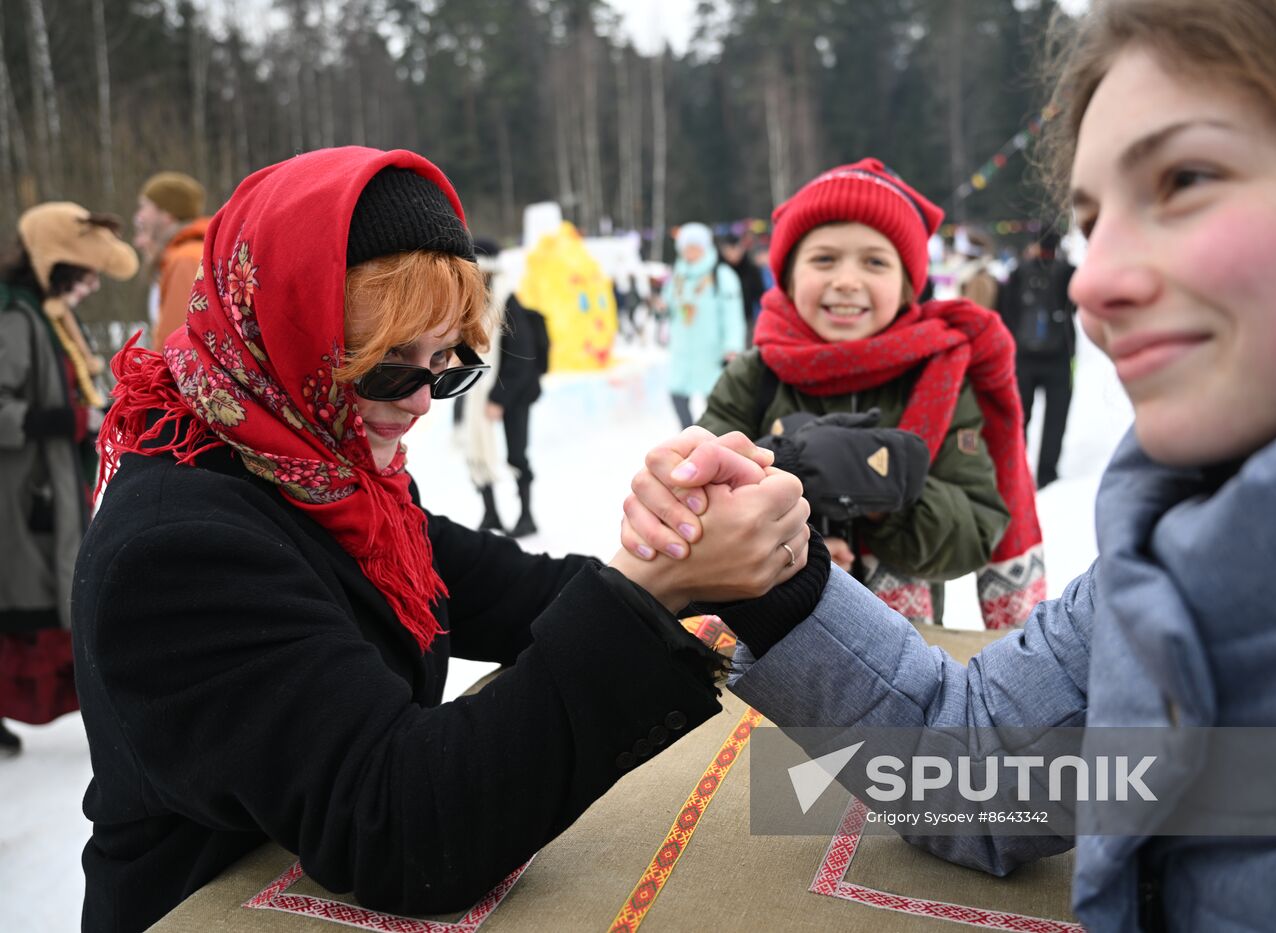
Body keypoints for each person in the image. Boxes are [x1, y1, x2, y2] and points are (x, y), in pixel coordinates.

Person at [623, 0, 1276, 927]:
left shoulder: (949, 377)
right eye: (1090, 218)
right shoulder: (1174, 554)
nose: (1091, 282)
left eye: (1186, 178)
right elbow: (975, 767)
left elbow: (974, 520)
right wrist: (770, 565)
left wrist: (887, 493)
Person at [71, 146, 819, 933]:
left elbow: (511, 588)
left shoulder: (328, 475)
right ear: (286, 330)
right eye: (387, 370)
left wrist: (687, 542)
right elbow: (404, 825)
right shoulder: (176, 551)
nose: (422, 403)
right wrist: (646, 585)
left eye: (446, 365)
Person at [695, 158, 1046, 629]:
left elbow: (977, 529)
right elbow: (697, 504)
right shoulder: (754, 375)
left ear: (907, 286)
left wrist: (887, 497)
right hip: (766, 646)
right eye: (824, 259)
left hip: (902, 658)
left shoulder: (939, 378)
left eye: (874, 262)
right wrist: (786, 473)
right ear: (789, 275)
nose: (846, 280)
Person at [0, 203, 138, 755]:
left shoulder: (50, 315)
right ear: (57, 268)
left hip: (53, 484)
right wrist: (71, 420)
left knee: (59, 596)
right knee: (25, 607)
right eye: (85, 275)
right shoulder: (17, 320)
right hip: (23, 492)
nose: (92, 286)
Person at [997, 229, 1077, 488]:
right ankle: (1047, 475)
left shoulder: (1018, 272)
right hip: (1060, 357)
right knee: (1056, 419)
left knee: (1019, 417)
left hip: (1022, 358)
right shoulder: (1068, 272)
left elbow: (1004, 311)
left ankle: (1017, 471)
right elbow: (1076, 306)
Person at [661, 223, 747, 427]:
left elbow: (733, 315)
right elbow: (671, 305)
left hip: (711, 351)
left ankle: (713, 440)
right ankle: (687, 437)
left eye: (695, 247)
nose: (690, 252)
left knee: (714, 400)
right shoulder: (677, 277)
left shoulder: (721, 275)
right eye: (686, 247)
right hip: (682, 350)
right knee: (678, 394)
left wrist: (732, 347)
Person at [482, 290, 550, 537]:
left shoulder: (507, 303)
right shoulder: (484, 302)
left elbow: (521, 358)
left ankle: (526, 516)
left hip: (515, 393)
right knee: (480, 452)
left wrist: (497, 399)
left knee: (516, 455)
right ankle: (491, 513)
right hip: (487, 391)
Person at [132, 170, 210, 349]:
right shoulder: (184, 254)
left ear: (167, 214)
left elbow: (177, 342)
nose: (139, 216)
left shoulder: (185, 260)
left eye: (144, 207)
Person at [717, 231, 767, 340]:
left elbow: (761, 296)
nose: (733, 253)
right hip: (722, 322)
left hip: (747, 321)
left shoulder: (752, 270)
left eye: (736, 248)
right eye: (730, 249)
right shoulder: (717, 272)